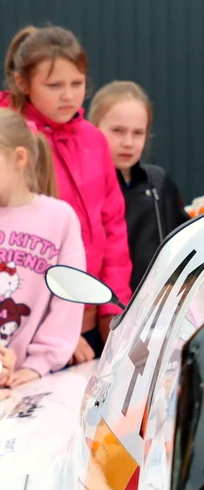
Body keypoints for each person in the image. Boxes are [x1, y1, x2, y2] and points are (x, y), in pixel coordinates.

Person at [1, 25, 131, 362]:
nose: (69, 95)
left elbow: (113, 227)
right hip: (26, 334)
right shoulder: (10, 143)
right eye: (54, 85)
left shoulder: (94, 140)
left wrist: (112, 309)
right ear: (22, 84)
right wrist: (56, 336)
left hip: (90, 326)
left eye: (77, 83)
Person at [0, 109, 86, 394]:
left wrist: (38, 363)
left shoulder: (59, 217)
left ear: (19, 158)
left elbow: (68, 297)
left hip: (34, 382)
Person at [89, 81, 190, 293]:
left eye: (138, 133)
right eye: (117, 131)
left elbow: (186, 242)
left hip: (155, 307)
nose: (128, 142)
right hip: (106, 308)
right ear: (93, 128)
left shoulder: (158, 182)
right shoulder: (86, 186)